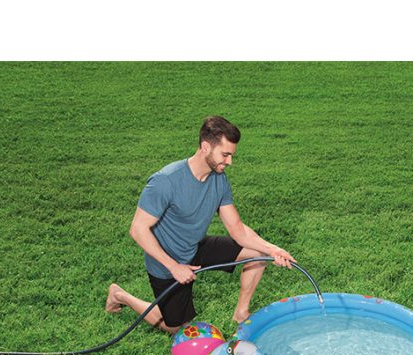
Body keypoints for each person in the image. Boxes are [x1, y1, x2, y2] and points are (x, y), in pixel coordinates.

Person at [105, 116, 296, 333]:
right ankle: (120, 295)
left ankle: (241, 314)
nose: (230, 162)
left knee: (258, 253)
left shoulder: (219, 179)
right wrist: (174, 266)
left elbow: (237, 229)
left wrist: (272, 249)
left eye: (231, 155)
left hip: (194, 247)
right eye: (225, 155)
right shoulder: (165, 181)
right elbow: (138, 229)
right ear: (206, 147)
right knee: (177, 328)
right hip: (167, 260)